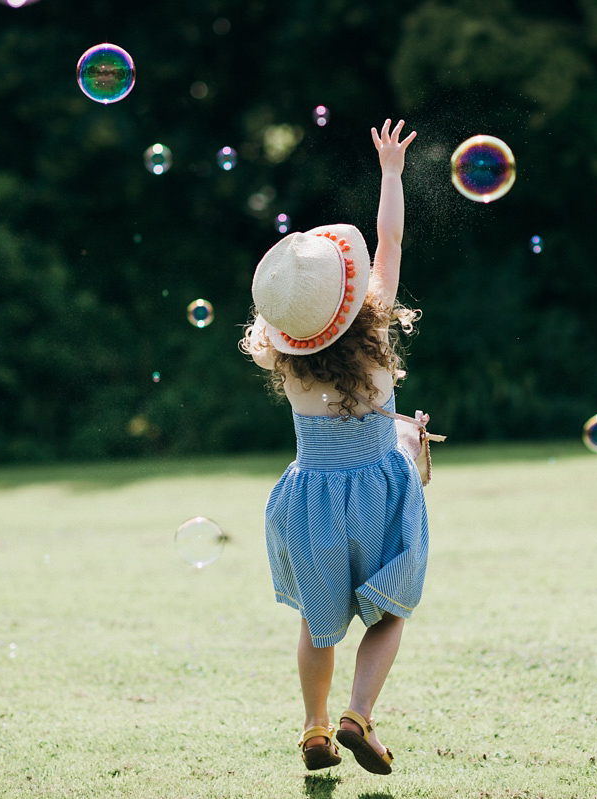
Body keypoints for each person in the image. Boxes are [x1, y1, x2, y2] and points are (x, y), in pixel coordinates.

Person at [239, 119, 426, 775]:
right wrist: (392, 172)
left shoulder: (287, 363)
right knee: (390, 609)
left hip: (312, 501)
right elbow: (390, 238)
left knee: (319, 625)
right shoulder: (374, 336)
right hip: (378, 490)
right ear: (352, 298)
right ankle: (358, 713)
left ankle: (315, 727)